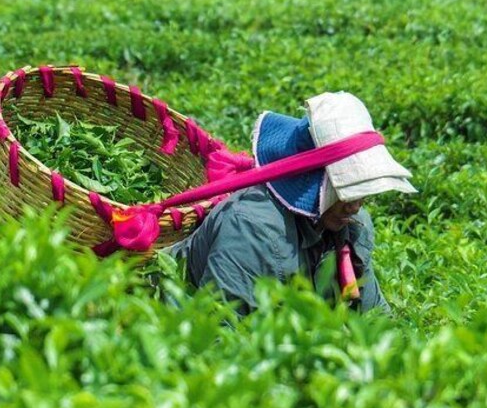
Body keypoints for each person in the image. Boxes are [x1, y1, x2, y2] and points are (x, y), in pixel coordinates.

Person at [162, 91, 416, 315]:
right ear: (314, 183)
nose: (355, 206)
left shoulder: (353, 225)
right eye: (347, 192)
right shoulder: (251, 227)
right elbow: (219, 332)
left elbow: (374, 316)